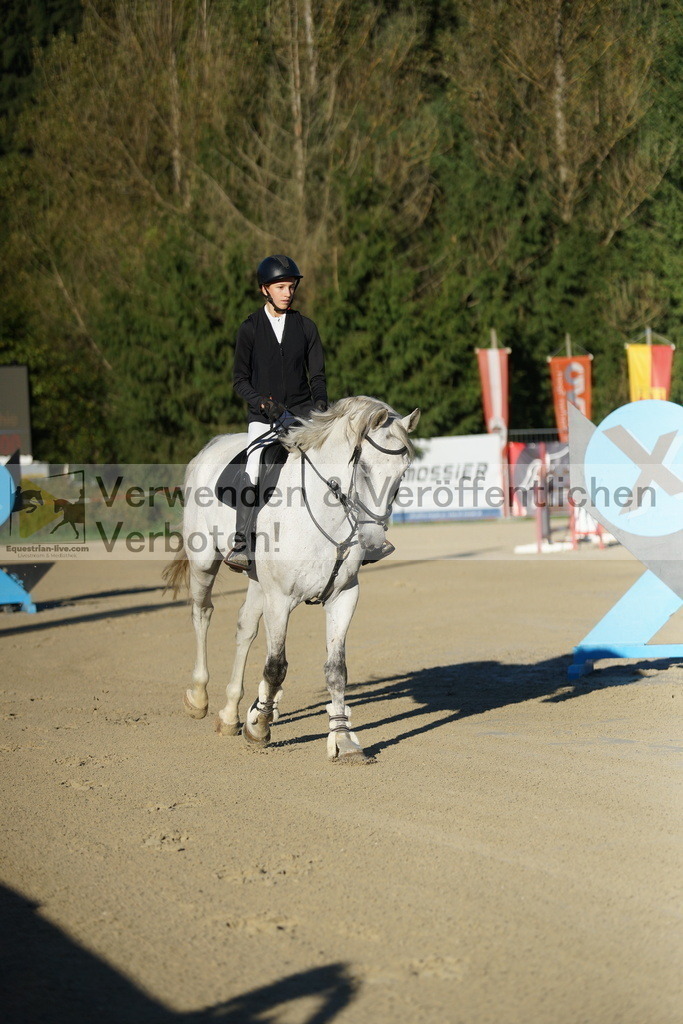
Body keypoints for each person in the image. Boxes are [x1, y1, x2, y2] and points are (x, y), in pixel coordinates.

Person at [225, 254, 328, 572]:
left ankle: (362, 536)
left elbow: (317, 377)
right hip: (264, 416)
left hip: (302, 412)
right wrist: (261, 403)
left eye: (291, 286)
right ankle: (241, 542)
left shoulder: (306, 327)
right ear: (264, 289)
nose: (288, 293)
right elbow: (239, 380)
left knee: (333, 458)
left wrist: (320, 405)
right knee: (254, 464)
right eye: (281, 287)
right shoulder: (250, 329)